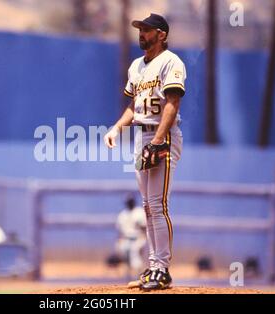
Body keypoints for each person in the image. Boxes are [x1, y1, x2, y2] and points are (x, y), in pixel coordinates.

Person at [104, 13, 186, 290]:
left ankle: (162, 270)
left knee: (158, 205)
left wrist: (160, 139)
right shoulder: (136, 66)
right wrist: (117, 128)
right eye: (140, 28)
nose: (141, 33)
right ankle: (152, 268)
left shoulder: (171, 62)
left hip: (161, 135)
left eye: (147, 29)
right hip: (141, 136)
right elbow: (133, 106)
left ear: (161, 34)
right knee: (148, 208)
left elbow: (172, 102)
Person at [115, 195, 147, 273]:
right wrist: (119, 240)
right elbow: (120, 230)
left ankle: (139, 272)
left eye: (130, 202)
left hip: (138, 237)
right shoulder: (123, 214)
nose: (129, 203)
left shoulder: (139, 212)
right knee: (123, 251)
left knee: (134, 252)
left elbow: (144, 227)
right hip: (126, 238)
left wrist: (144, 237)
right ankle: (128, 274)